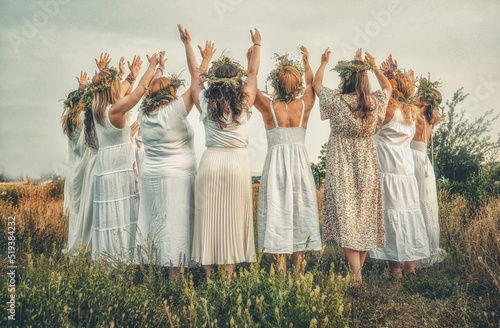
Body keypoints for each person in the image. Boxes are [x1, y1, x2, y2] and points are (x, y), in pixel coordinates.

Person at [185, 24, 260, 279]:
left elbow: (195, 79)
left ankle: (207, 275)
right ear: (235, 79)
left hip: (211, 161)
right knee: (232, 217)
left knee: (208, 218)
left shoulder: (205, 101)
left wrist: (200, 56)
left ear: (214, 80)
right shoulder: (244, 100)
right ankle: (228, 276)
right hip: (238, 163)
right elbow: (253, 73)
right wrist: (257, 46)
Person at [313, 48, 392, 285]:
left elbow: (317, 85)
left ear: (344, 79)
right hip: (367, 161)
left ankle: (356, 276)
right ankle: (357, 272)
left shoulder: (336, 101)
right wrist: (374, 66)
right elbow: (388, 88)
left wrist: (324, 63)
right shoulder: (375, 103)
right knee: (365, 217)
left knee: (347, 217)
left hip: (341, 163)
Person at [135, 43, 215, 270]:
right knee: (177, 225)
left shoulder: (142, 112)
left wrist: (158, 68)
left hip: (151, 176)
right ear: (171, 92)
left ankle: (152, 267)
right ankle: (176, 275)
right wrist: (205, 59)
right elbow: (196, 83)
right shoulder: (177, 107)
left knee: (155, 222)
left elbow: (151, 89)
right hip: (178, 177)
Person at [253, 47, 321, 275]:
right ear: (298, 83)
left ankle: (280, 275)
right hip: (299, 168)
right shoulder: (305, 104)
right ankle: (298, 274)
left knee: (277, 215)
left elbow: (250, 88)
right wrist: (308, 62)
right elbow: (312, 85)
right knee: (299, 217)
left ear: (276, 82)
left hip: (275, 168)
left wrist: (251, 59)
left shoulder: (268, 106)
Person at [89, 51, 159, 262]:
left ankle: (107, 259)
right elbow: (139, 91)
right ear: (112, 88)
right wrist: (152, 67)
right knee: (121, 212)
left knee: (109, 214)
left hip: (105, 166)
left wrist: (130, 75)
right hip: (118, 167)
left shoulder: (97, 107)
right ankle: (120, 260)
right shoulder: (115, 110)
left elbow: (126, 89)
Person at [369, 55, 430, 277]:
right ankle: (410, 267)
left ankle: (394, 269)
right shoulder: (412, 113)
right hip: (406, 174)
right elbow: (409, 97)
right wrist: (395, 76)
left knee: (391, 217)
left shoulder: (386, 110)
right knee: (408, 216)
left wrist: (382, 74)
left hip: (387, 171)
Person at [412, 77, 446, 268]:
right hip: (425, 161)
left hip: (413, 159)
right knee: (426, 203)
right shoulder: (429, 119)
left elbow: (404, 105)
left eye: (419, 96)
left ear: (425, 101)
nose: (414, 97)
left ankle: (416, 250)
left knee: (414, 203)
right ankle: (430, 247)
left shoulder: (416, 115)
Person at [61, 72, 93, 257]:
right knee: (84, 211)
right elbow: (89, 107)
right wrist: (85, 87)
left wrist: (83, 87)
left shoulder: (68, 121)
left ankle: (75, 244)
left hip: (73, 172)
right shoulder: (81, 118)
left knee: (76, 212)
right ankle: (83, 247)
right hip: (83, 169)